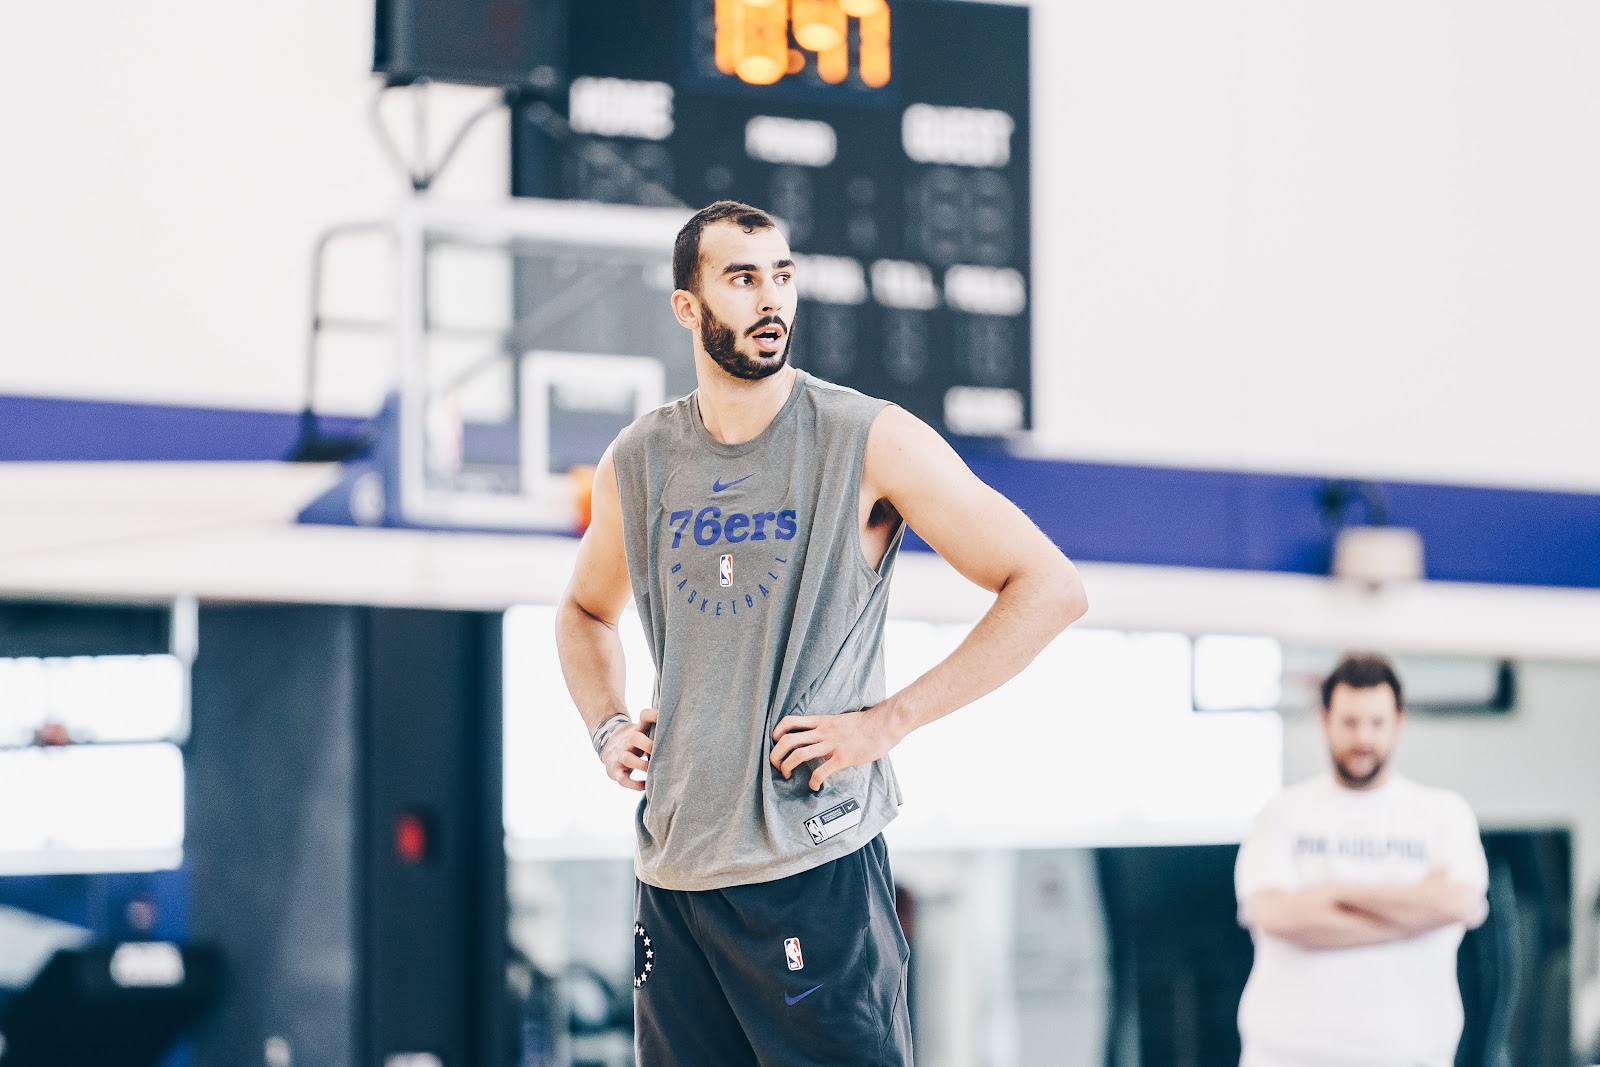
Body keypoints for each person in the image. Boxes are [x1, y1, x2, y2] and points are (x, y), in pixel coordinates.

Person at [555, 200, 1087, 1066]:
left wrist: (887, 722)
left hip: (813, 865)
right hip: (674, 878)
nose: (771, 298)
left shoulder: (866, 438)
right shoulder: (639, 460)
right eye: (742, 278)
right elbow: (583, 612)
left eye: (782, 275)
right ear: (688, 306)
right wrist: (607, 723)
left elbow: (1050, 588)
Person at [1234, 652, 1490, 1067]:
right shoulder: (1280, 813)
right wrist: (1416, 916)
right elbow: (1277, 915)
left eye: (1376, 722)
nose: (1363, 738)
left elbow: (1458, 902)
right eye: (1350, 722)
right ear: (1325, 721)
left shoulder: (1445, 813)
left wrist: (1331, 893)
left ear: (1399, 722)